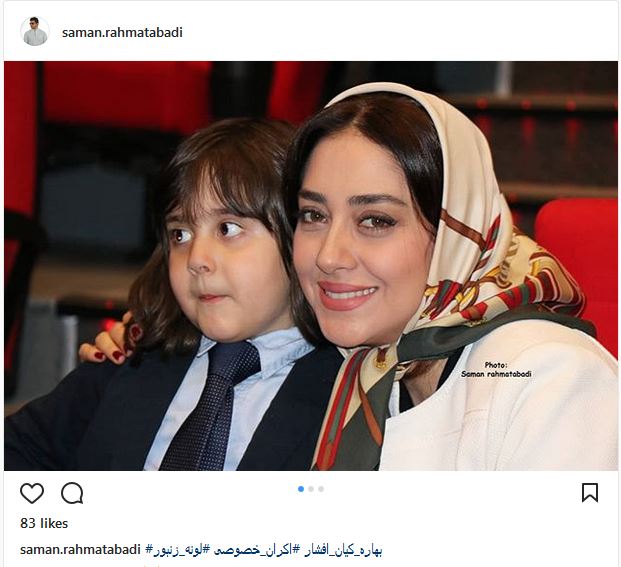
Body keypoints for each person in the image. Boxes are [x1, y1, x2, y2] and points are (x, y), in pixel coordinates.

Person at [79, 83, 618, 471]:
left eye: (375, 220)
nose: (329, 256)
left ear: (459, 231)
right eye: (313, 215)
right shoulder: (372, 368)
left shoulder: (549, 377)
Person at [4, 118, 342, 471]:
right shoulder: (134, 358)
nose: (196, 259)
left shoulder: (349, 397)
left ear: (298, 235)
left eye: (228, 229)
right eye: (180, 234)